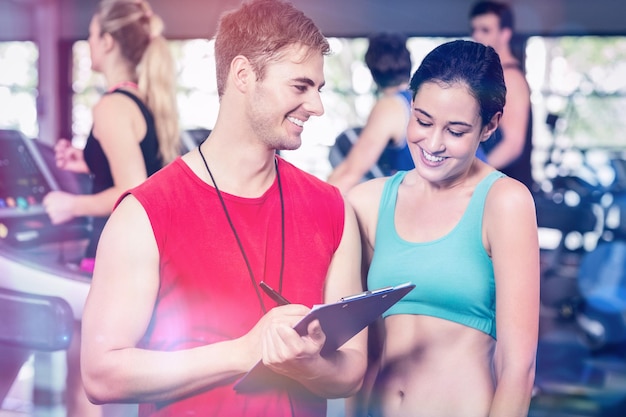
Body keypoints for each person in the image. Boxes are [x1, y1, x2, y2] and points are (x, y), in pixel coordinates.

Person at [80, 1, 367, 416]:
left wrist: (309, 365)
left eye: (318, 90)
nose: (317, 107)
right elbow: (100, 374)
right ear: (243, 75)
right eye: (300, 87)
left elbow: (352, 369)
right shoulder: (145, 212)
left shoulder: (334, 209)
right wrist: (244, 352)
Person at [346, 39, 539, 417]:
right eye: (422, 121)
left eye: (456, 130)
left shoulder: (504, 203)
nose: (432, 143)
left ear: (489, 126)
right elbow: (364, 354)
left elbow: (518, 369)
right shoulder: (368, 203)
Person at [42, 0, 180, 416]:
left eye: (91, 34)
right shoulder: (140, 101)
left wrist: (72, 204)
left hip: (113, 259)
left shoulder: (111, 106)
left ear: (107, 41)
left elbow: (133, 188)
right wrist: (88, 163)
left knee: (83, 379)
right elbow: (141, 167)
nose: (87, 42)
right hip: (144, 260)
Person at [326, 32, 414, 194]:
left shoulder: (391, 106)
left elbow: (349, 173)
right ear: (409, 64)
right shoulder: (418, 99)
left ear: (372, 71)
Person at [469, 0, 534, 190]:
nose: (477, 36)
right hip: (492, 184)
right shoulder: (492, 74)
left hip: (507, 188)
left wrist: (470, 177)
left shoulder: (511, 77)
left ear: (505, 34)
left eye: (485, 30)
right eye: (474, 29)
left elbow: (513, 145)